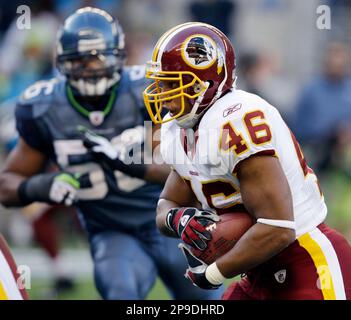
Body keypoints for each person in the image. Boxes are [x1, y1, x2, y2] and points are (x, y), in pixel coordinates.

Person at [0, 8, 222, 300]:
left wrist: (128, 163)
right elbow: (7, 185)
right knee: (121, 293)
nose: (91, 67)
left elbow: (180, 167)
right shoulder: (44, 109)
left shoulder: (145, 93)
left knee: (205, 300)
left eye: (99, 57)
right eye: (80, 59)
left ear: (118, 55)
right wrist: (41, 186)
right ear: (62, 61)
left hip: (168, 218)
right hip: (112, 230)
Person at [143, 22, 351, 300]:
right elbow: (166, 204)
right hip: (256, 272)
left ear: (203, 84)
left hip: (306, 262)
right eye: (161, 84)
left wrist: (214, 272)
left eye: (173, 85)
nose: (164, 97)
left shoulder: (237, 120)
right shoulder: (179, 131)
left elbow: (278, 228)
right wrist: (178, 218)